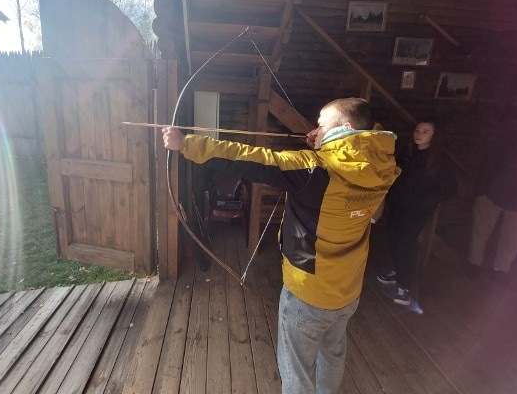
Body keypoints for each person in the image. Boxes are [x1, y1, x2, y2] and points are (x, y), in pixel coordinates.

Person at [162, 98, 400, 394]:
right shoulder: (383, 164)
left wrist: (186, 144)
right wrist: (327, 142)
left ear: (345, 129)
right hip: (349, 290)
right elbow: (366, 195)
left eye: (322, 124)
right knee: (333, 352)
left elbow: (254, 159)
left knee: (297, 369)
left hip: (310, 294)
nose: (316, 130)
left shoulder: (314, 169)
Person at [376, 119, 457, 305]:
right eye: (418, 130)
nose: (419, 134)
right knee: (392, 240)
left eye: (425, 132)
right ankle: (398, 271)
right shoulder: (408, 152)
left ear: (434, 136)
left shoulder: (440, 160)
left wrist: (423, 202)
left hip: (416, 212)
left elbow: (450, 189)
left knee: (405, 245)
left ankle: (404, 286)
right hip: (397, 206)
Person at [467, 108, 517, 279]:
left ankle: (500, 270)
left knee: (511, 241)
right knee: (480, 234)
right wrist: (481, 192)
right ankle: (474, 264)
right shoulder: (506, 141)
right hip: (492, 197)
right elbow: (488, 165)